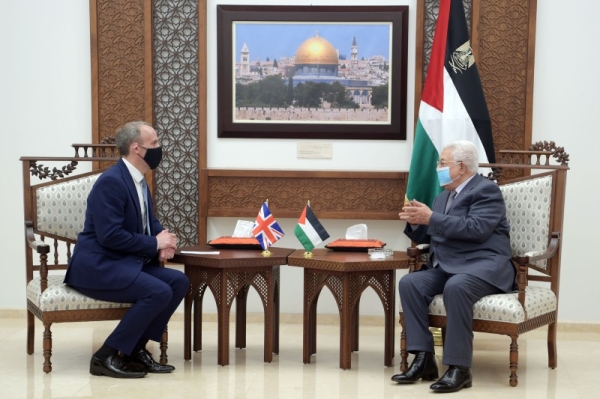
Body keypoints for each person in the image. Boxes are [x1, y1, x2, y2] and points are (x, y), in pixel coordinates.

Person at [64, 121, 190, 378]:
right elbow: (110, 236)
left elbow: (150, 223)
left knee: (179, 281)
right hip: (98, 267)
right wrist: (155, 244)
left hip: (124, 263)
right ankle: (104, 356)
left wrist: (164, 240)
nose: (159, 147)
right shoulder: (111, 182)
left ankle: (134, 351)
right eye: (154, 143)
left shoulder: (139, 180)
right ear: (137, 148)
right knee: (158, 291)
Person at [391, 140, 515, 393]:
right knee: (410, 283)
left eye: (442, 163)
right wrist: (417, 222)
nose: (438, 167)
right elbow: (431, 234)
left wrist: (432, 218)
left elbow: (476, 229)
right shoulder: (442, 197)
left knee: (456, 286)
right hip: (447, 264)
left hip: (483, 265)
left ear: (461, 167)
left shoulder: (486, 191)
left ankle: (460, 369)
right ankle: (424, 358)